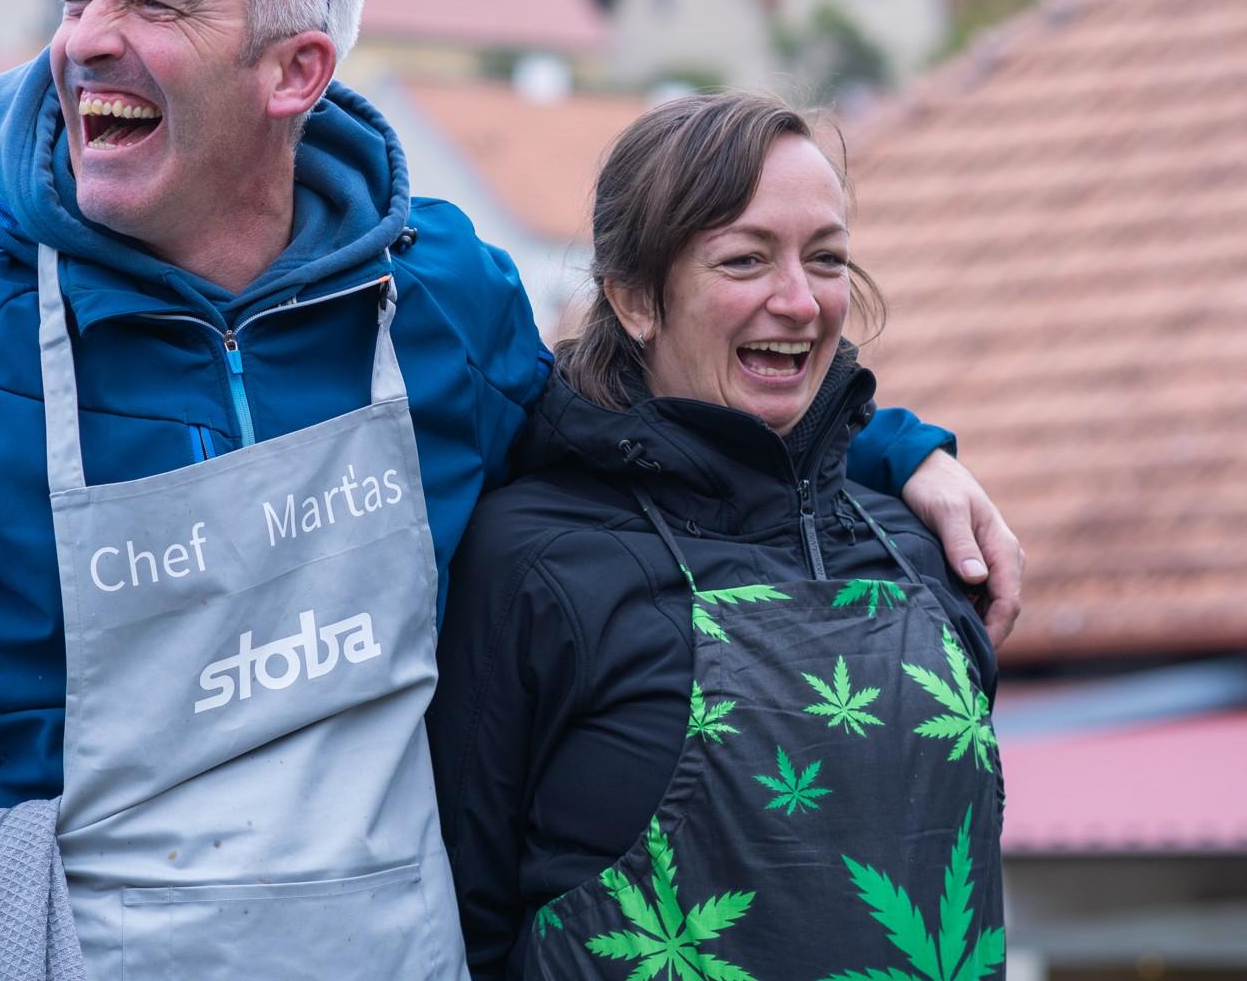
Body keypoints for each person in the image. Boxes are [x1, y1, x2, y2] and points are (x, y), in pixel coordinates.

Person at [0, 0, 1018, 980]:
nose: (86, 38)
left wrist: (887, 453)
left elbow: (629, 432)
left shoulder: (442, 301)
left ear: (296, 71)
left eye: (154, 0)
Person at [428, 93, 1006, 979]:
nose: (799, 302)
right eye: (745, 259)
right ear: (634, 298)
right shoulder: (531, 562)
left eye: (827, 259)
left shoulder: (919, 553)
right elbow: (455, 921)